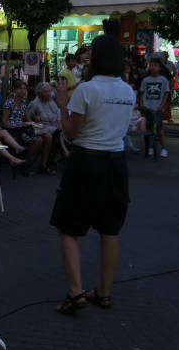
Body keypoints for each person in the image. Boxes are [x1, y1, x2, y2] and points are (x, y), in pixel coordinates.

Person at [50, 34, 133, 315]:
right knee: (110, 229)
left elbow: (71, 132)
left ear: (95, 58)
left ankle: (76, 291)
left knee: (67, 226)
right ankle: (104, 292)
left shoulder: (87, 89)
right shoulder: (127, 90)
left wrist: (62, 103)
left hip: (87, 160)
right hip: (117, 161)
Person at [139, 58, 171, 158]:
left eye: (155, 65)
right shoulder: (145, 80)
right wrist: (142, 105)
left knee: (159, 129)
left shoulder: (163, 80)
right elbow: (142, 93)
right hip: (147, 109)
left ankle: (164, 147)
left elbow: (166, 94)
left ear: (160, 68)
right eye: (151, 65)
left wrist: (162, 106)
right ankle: (150, 147)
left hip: (158, 108)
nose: (153, 67)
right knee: (148, 129)